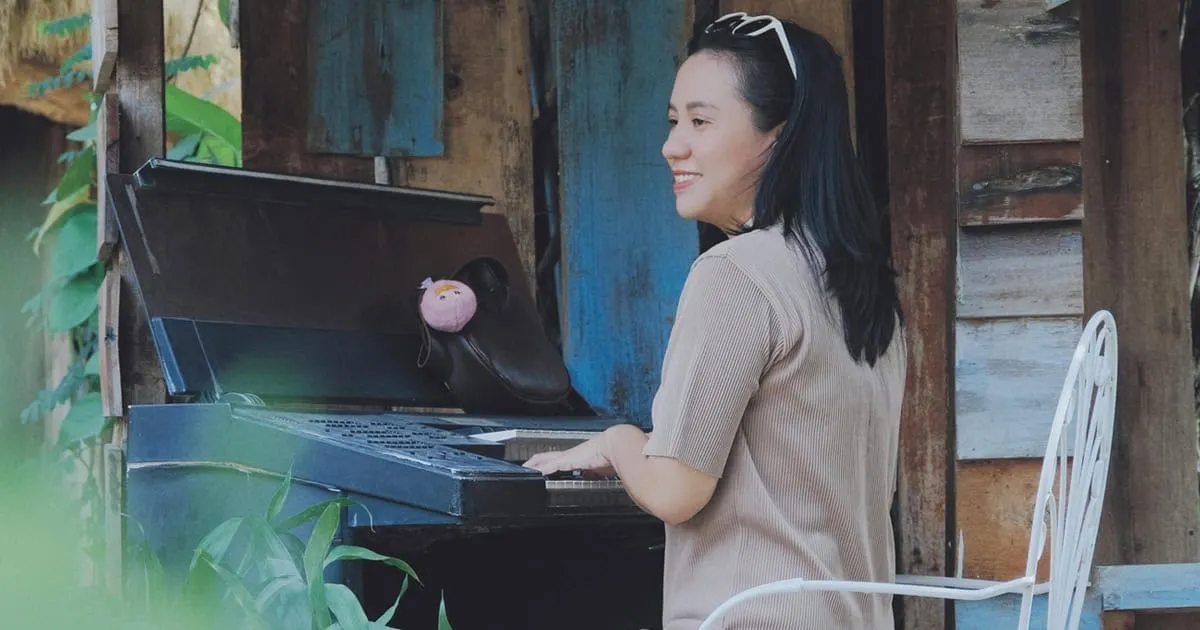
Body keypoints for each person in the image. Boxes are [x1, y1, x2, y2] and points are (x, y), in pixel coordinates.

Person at [523, 11, 907, 629]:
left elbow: (676, 492)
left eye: (701, 121)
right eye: (675, 122)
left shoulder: (736, 272)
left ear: (777, 135)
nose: (672, 145)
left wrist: (619, 441)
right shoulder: (858, 279)